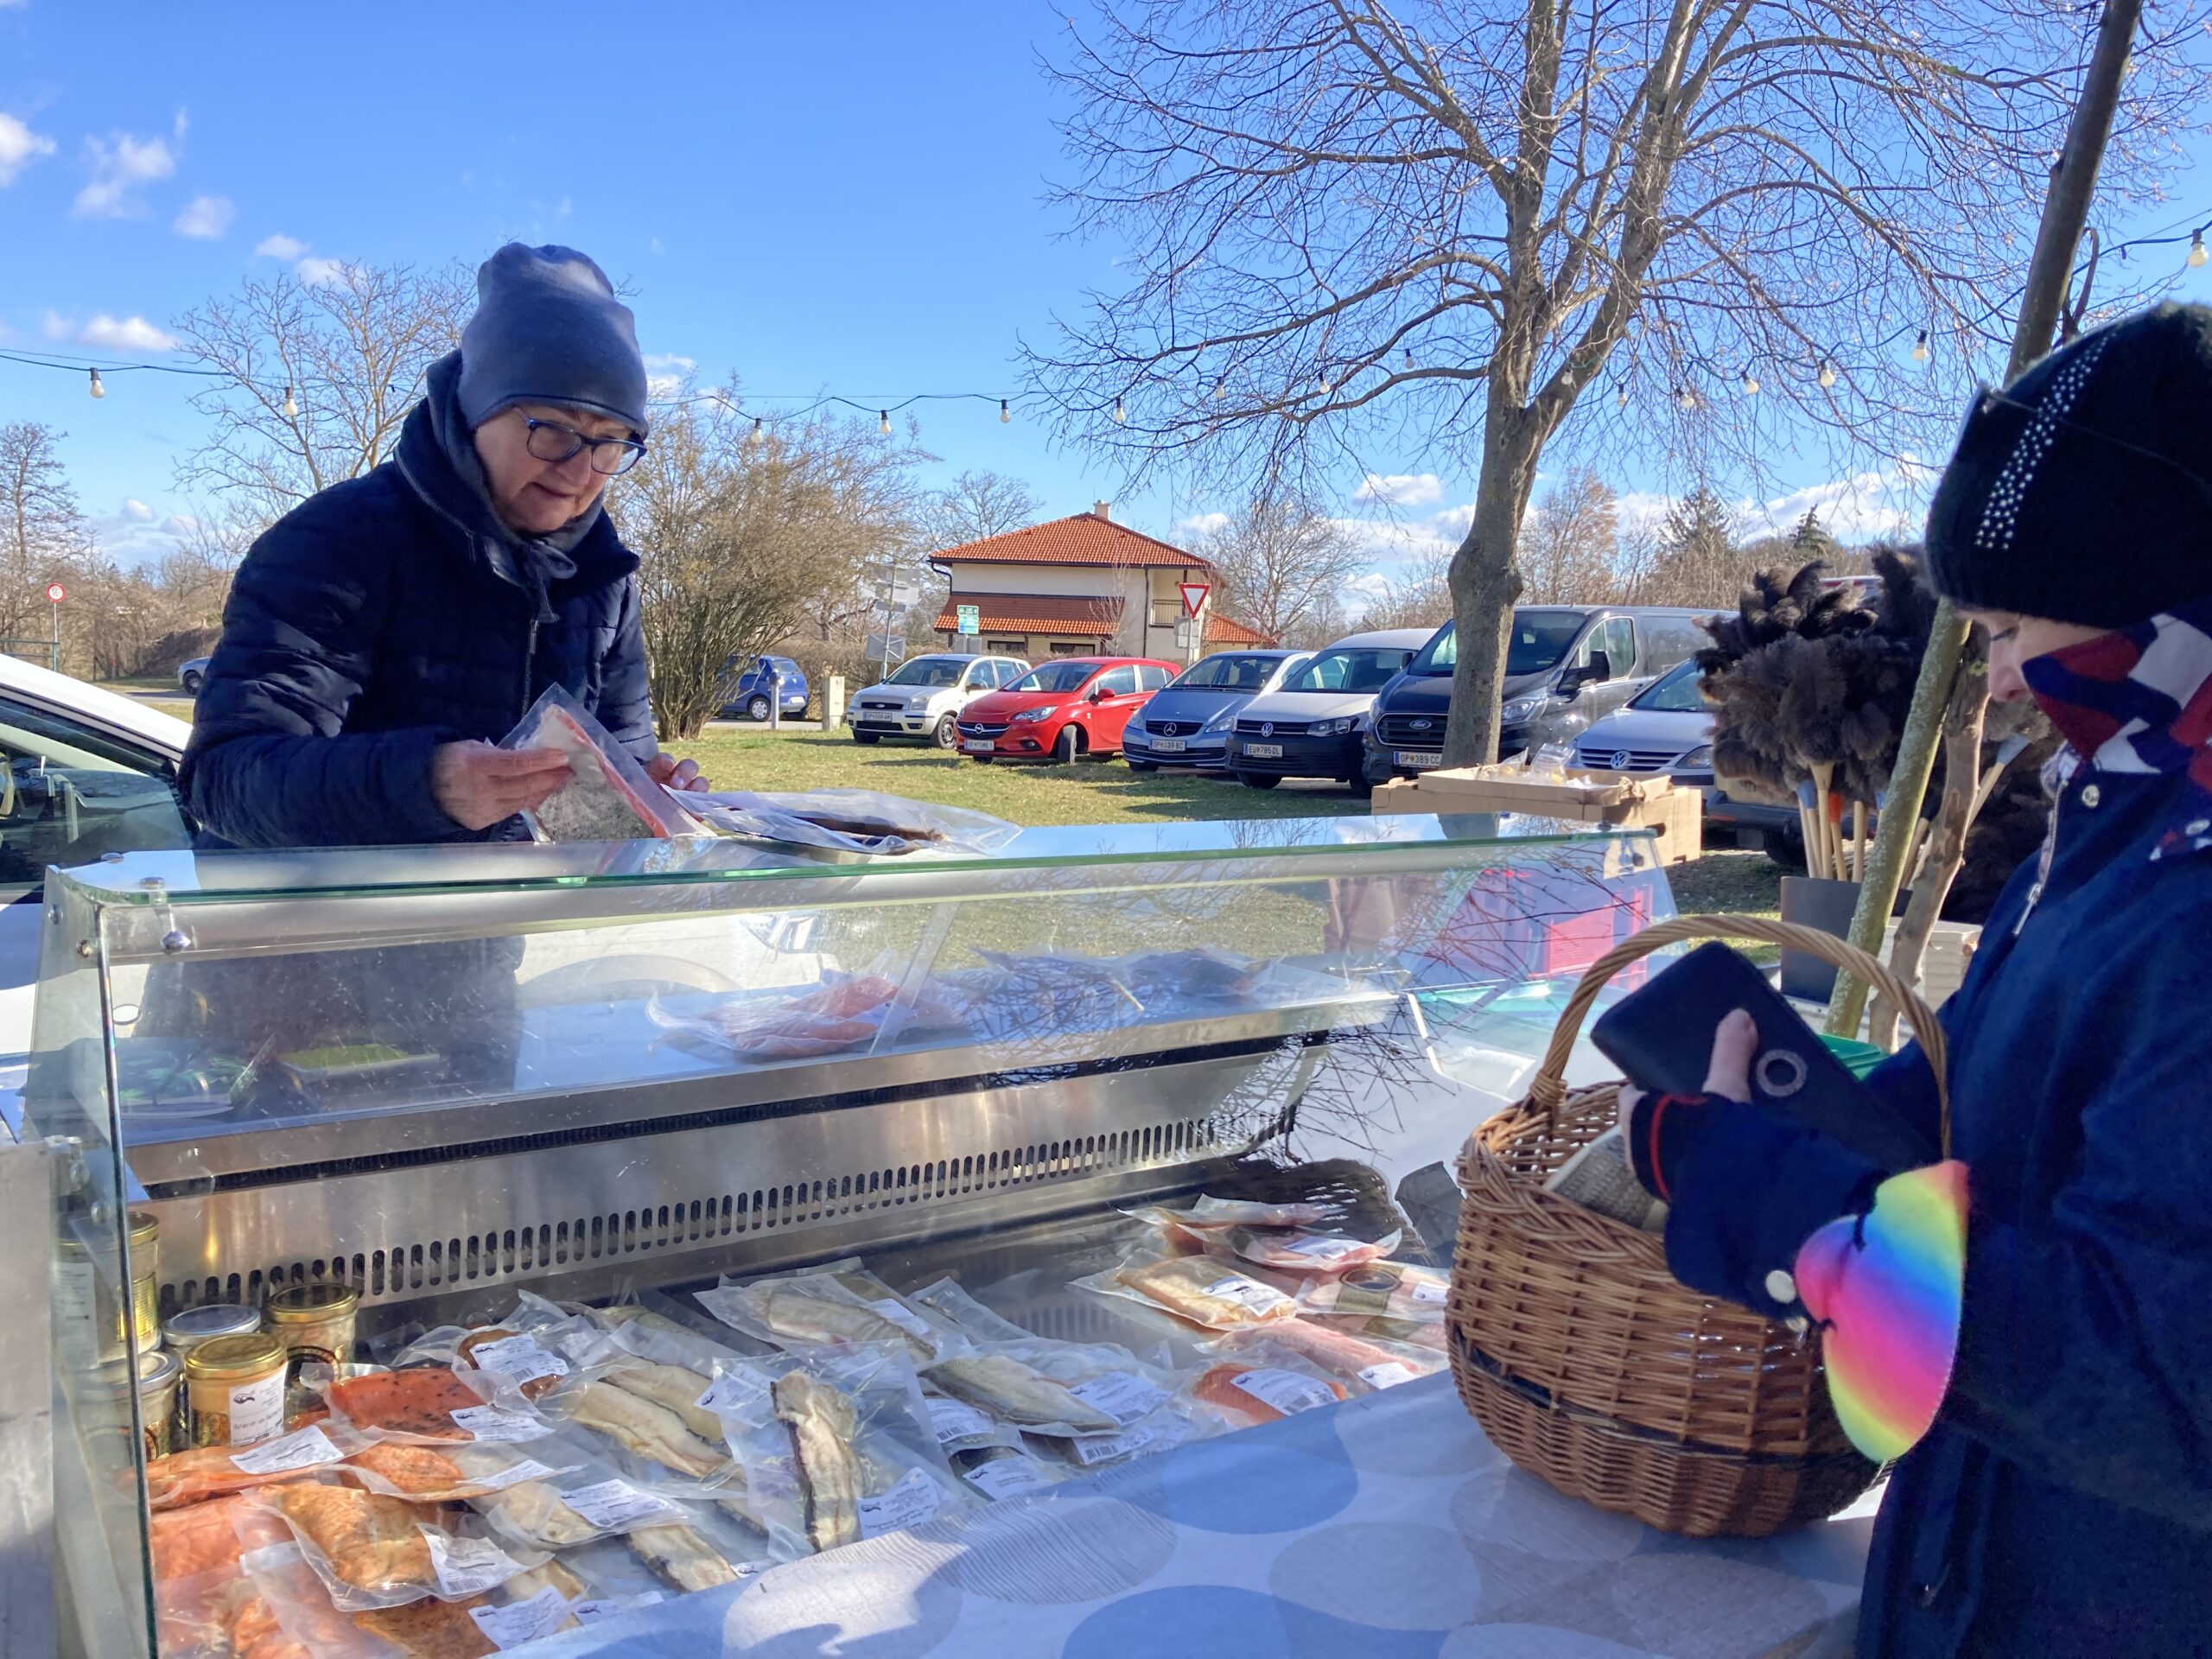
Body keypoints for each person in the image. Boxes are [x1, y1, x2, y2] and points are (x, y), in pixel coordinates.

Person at [1618, 302, 2212, 1656]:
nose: (1998, 678)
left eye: (2011, 626)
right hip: (1987, 1567)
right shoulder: (2133, 815)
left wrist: (1784, 1206)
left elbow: (2156, 1389)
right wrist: (1825, 1115)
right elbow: (2015, 1092)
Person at [181, 241, 705, 848]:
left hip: (483, 932)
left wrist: (650, 790)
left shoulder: (602, 579)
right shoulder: (336, 544)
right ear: (477, 411)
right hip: (297, 930)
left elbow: (623, 759)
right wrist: (424, 786)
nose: (580, 469)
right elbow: (222, 780)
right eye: (554, 430)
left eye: (612, 443)